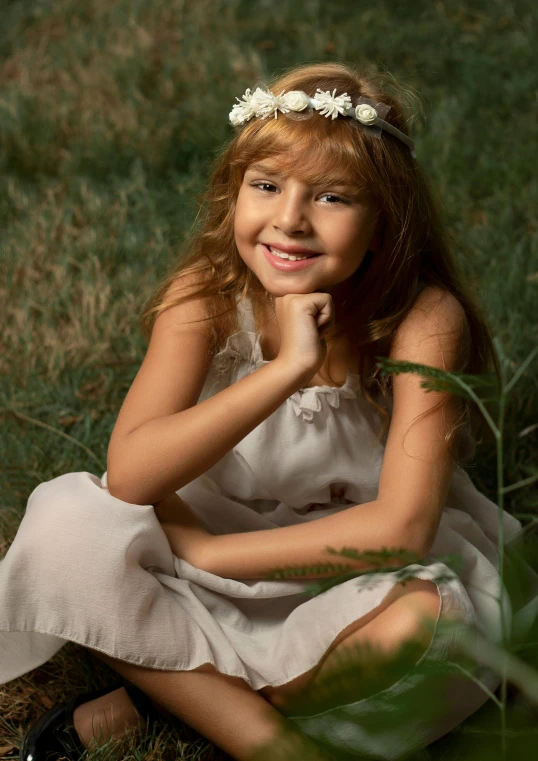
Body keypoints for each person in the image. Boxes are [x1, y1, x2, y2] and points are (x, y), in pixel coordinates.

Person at [1, 61, 533, 761]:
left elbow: (402, 528)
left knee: (427, 623)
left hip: (347, 565)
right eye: (268, 185)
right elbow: (131, 473)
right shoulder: (206, 295)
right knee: (69, 526)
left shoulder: (423, 318)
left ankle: (188, 706)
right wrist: (285, 370)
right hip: (199, 543)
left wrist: (221, 556)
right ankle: (275, 743)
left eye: (333, 197)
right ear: (233, 196)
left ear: (383, 222)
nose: (290, 220)